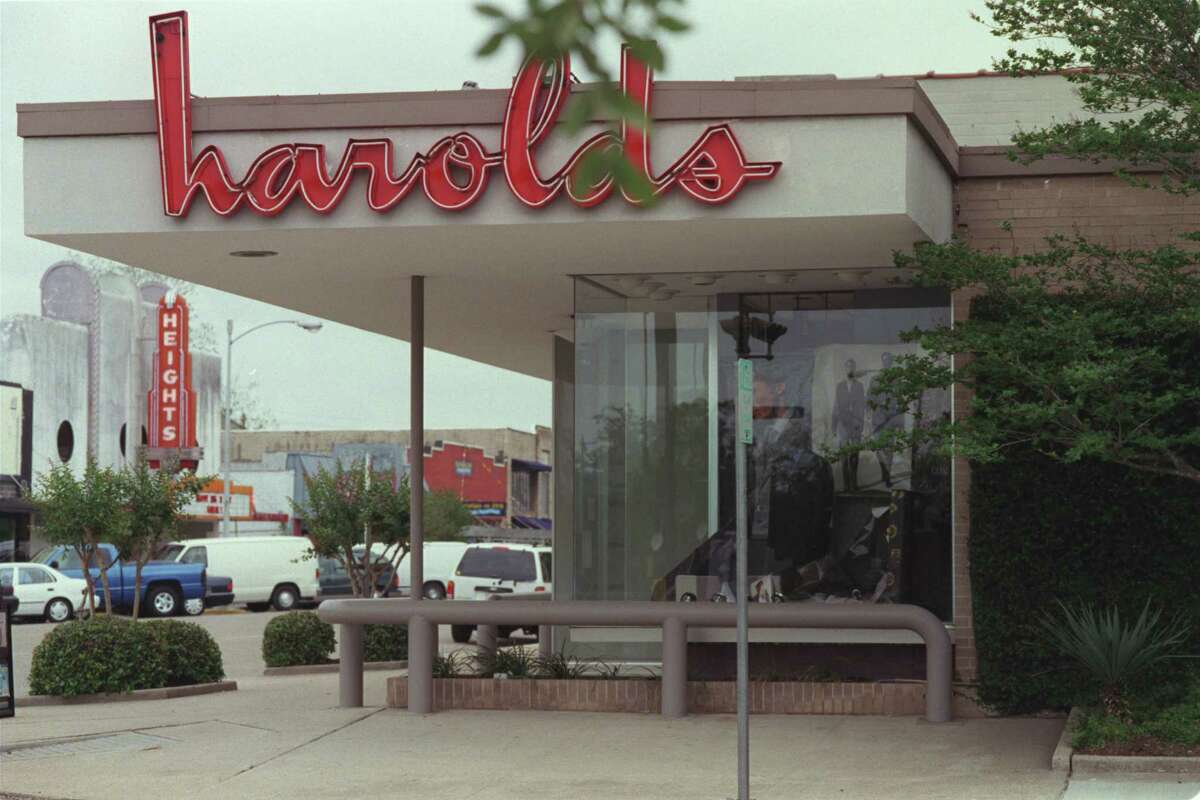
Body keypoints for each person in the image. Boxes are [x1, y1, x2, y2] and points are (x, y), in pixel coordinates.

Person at [869, 351, 906, 488]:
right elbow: (869, 398)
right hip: (878, 419)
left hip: (891, 419)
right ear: (882, 362)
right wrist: (875, 409)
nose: (887, 362)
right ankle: (883, 471)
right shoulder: (875, 379)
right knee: (879, 448)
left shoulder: (897, 380)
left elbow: (901, 401)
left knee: (889, 449)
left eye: (889, 360)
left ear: (891, 362)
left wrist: (899, 420)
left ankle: (888, 475)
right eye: (884, 360)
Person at [833, 358, 865, 491]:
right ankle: (846, 485)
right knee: (844, 455)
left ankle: (854, 483)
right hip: (842, 424)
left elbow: (862, 406)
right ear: (845, 369)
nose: (850, 369)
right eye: (847, 367)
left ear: (854, 369)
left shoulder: (859, 386)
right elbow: (835, 406)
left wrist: (861, 423)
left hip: (856, 423)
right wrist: (833, 426)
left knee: (855, 454)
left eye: (852, 367)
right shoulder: (840, 386)